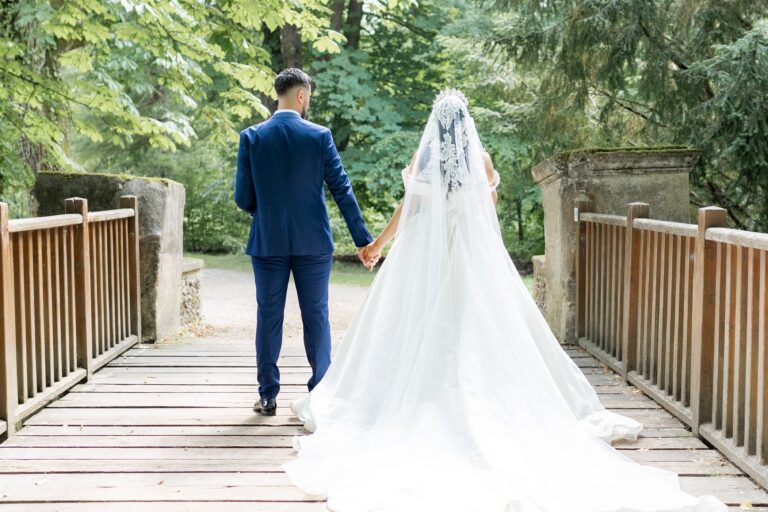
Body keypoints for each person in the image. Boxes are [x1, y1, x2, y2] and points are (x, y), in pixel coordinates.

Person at [283, 89, 727, 512]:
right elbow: (487, 211)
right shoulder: (482, 160)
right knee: (483, 328)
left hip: (428, 256)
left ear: (434, 126)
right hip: (472, 258)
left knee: (412, 325)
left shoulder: (423, 159)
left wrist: (377, 244)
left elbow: (411, 209)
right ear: (467, 125)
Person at [234, 68, 376, 417]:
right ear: (301, 95)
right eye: (308, 96)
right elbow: (342, 189)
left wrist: (264, 209)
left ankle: (268, 395)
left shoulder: (251, 137)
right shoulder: (319, 136)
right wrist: (364, 241)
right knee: (317, 316)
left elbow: (242, 198)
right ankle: (320, 395)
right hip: (314, 242)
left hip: (267, 242)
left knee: (269, 315)